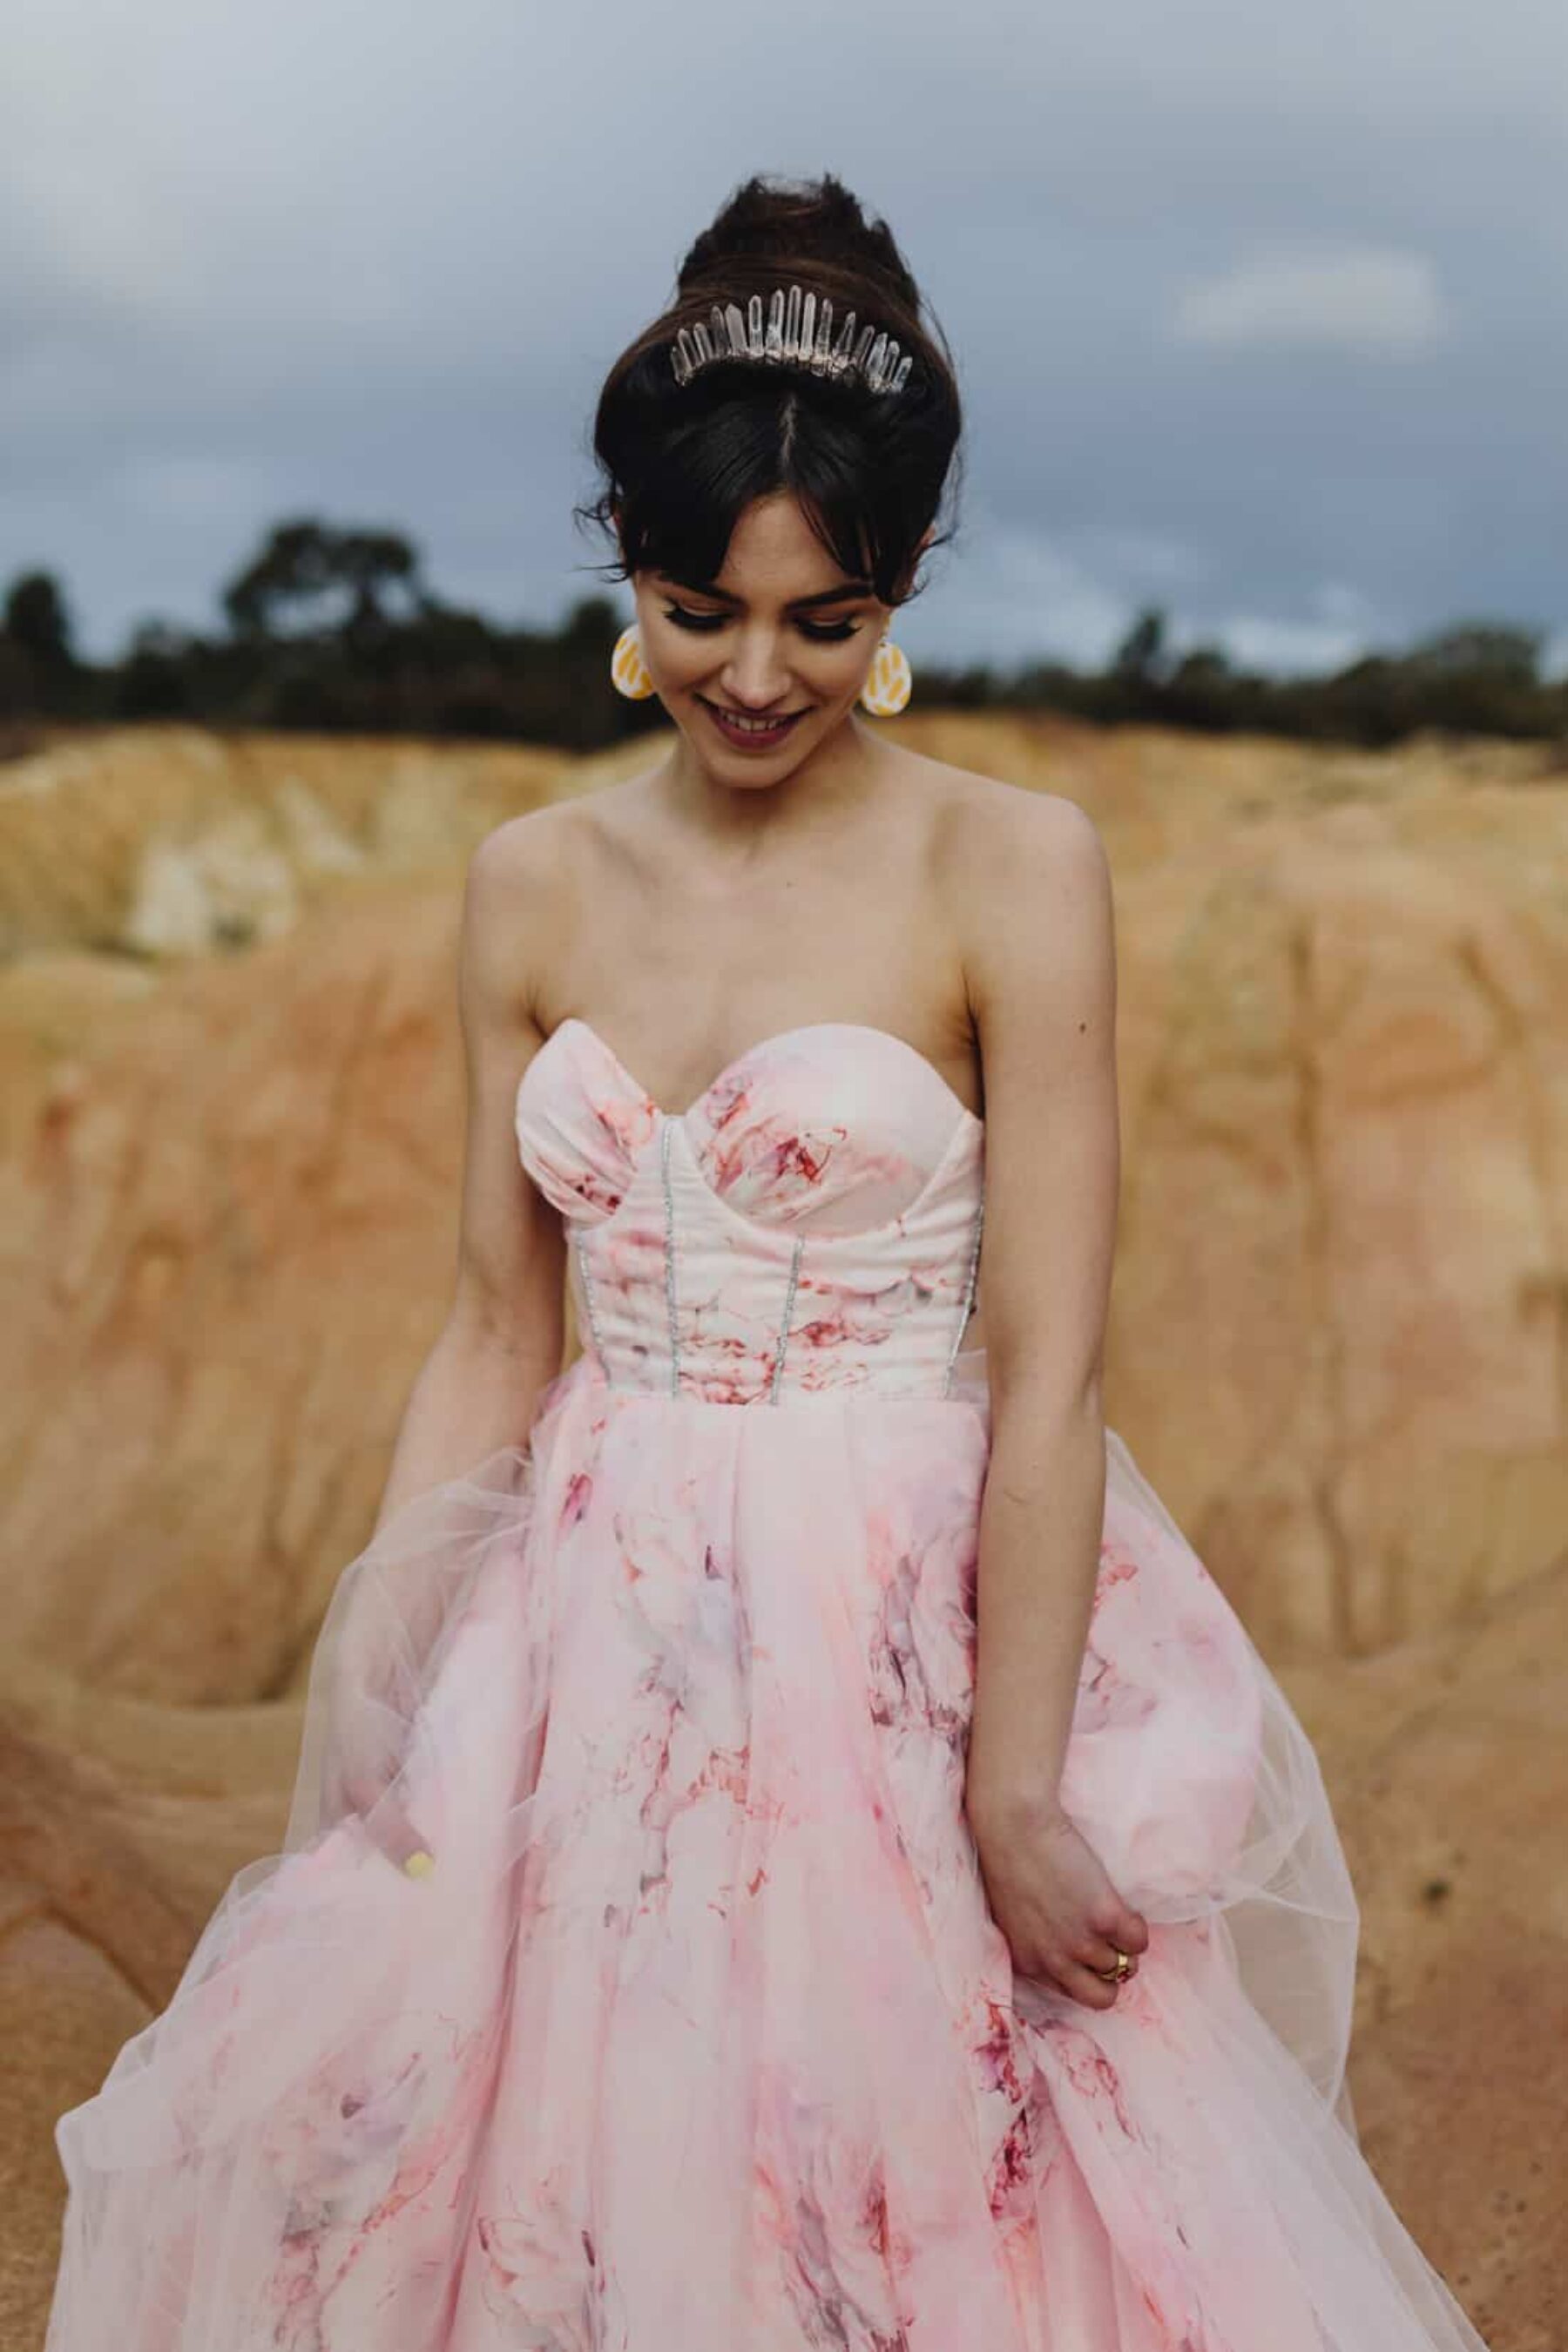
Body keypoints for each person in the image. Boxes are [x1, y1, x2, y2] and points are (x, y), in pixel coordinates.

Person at [45, 172, 1495, 2352]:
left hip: (890, 1632)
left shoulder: (1018, 868)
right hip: (585, 1623)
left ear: (903, 586)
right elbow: (484, 1322)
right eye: (703, 604)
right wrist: (397, 1654)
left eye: (824, 620)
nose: (752, 674)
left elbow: (1058, 1369)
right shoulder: (528, 884)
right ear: (623, 560)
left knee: (905, 2211)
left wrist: (1010, 1783)